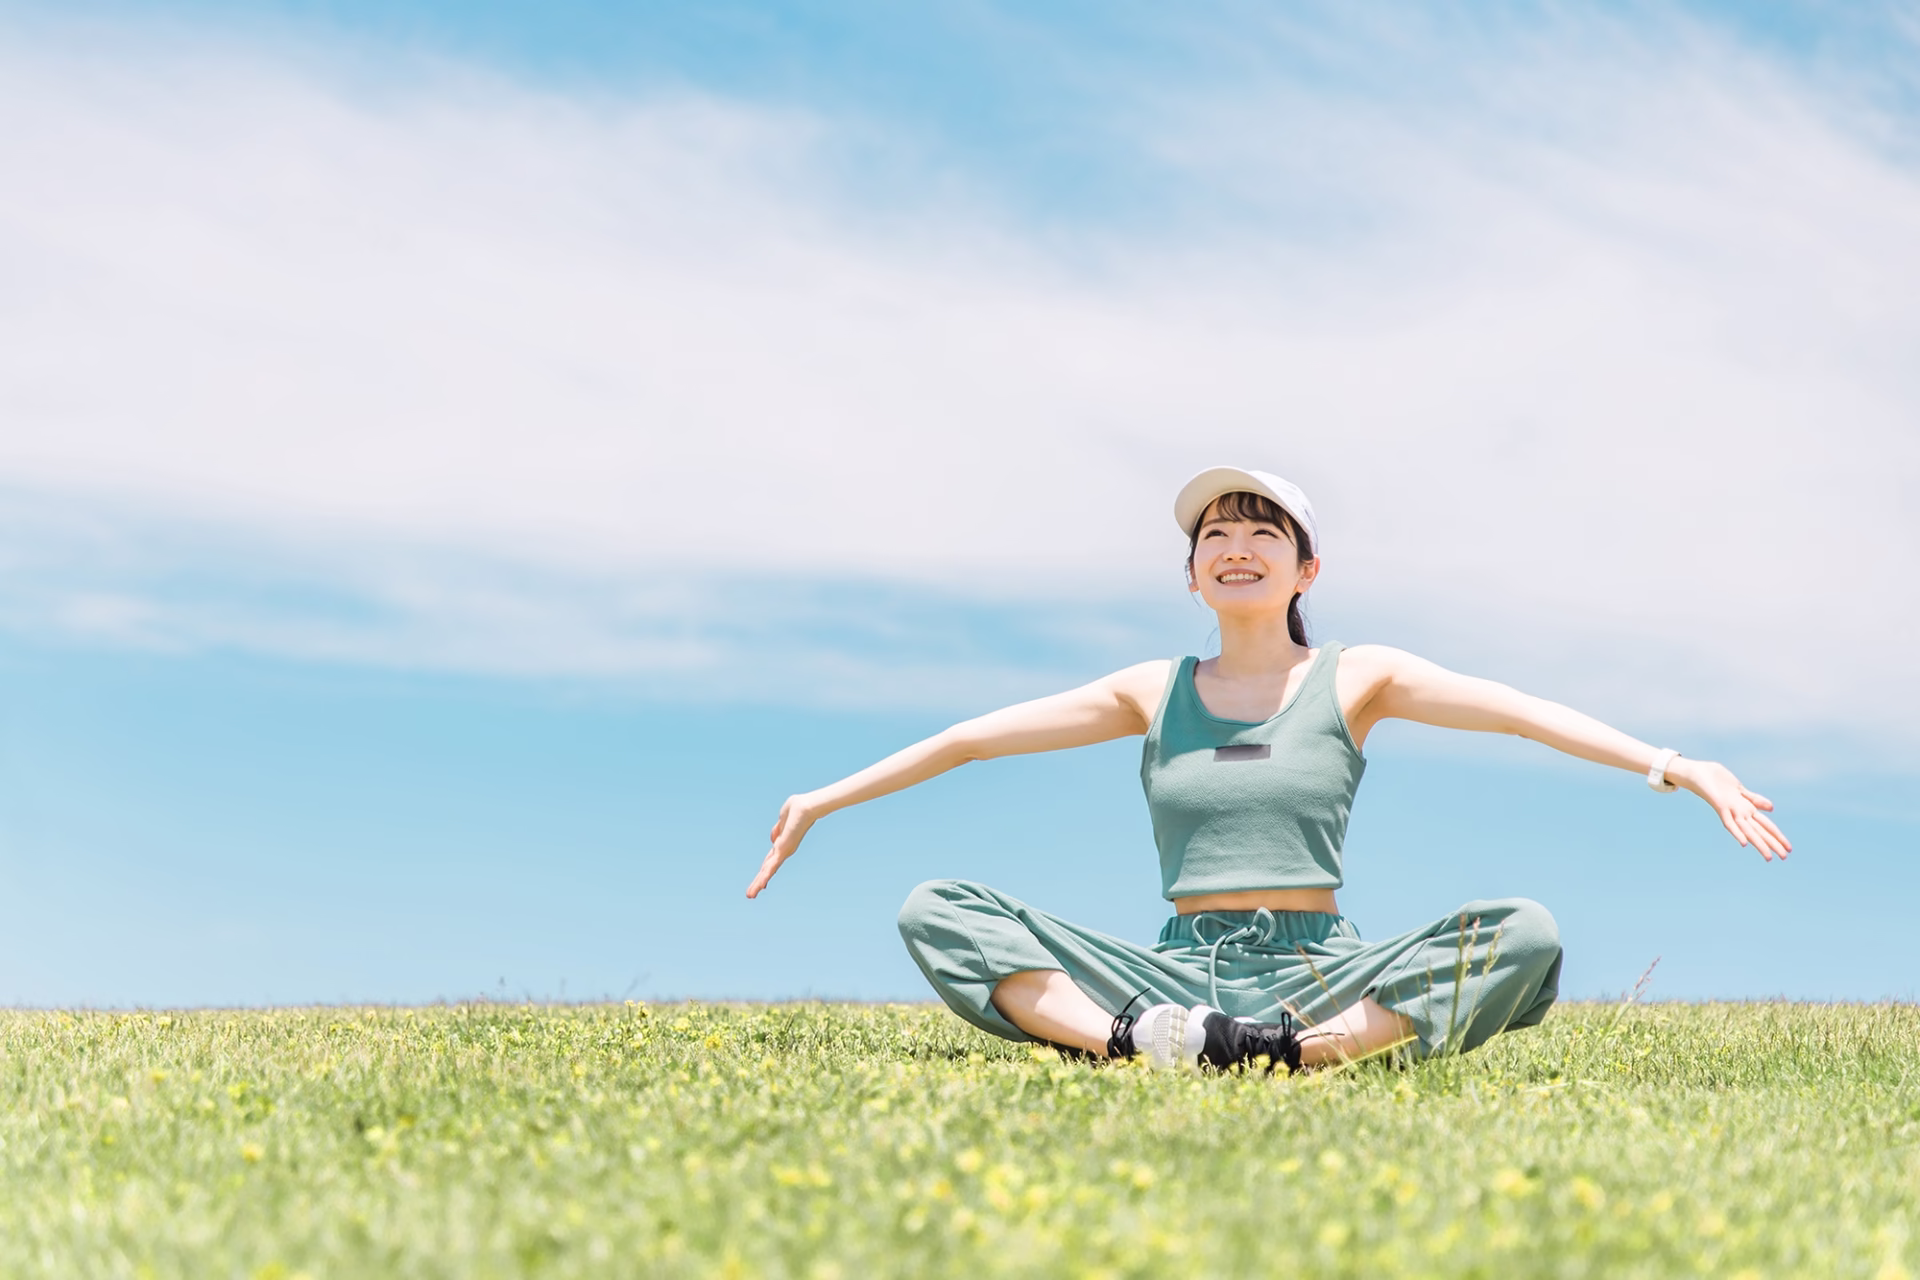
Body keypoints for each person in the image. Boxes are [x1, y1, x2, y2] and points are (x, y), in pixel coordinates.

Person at [745, 467, 1791, 1073]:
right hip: (1169, 969)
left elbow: (1518, 713)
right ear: (1192, 569)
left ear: (1305, 569)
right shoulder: (1151, 690)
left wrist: (1673, 763)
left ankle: (1293, 1054)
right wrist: (824, 798)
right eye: (1215, 533)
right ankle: (1132, 1041)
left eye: (1260, 531)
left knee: (1526, 931)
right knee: (940, 906)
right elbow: (973, 737)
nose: (1234, 545)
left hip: (1317, 967)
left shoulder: (1358, 675)